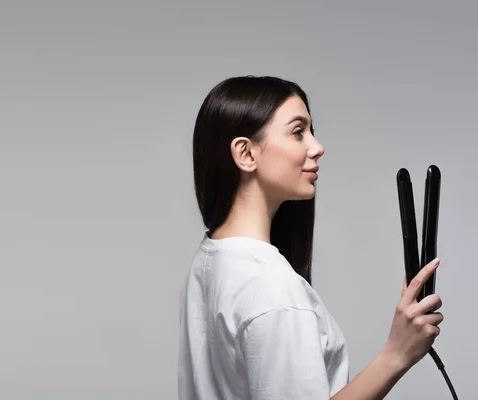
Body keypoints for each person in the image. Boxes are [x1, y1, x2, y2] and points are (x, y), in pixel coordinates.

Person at [178, 76, 444, 400]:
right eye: (297, 132)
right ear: (246, 153)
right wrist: (396, 355)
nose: (317, 148)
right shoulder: (272, 288)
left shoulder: (210, 260)